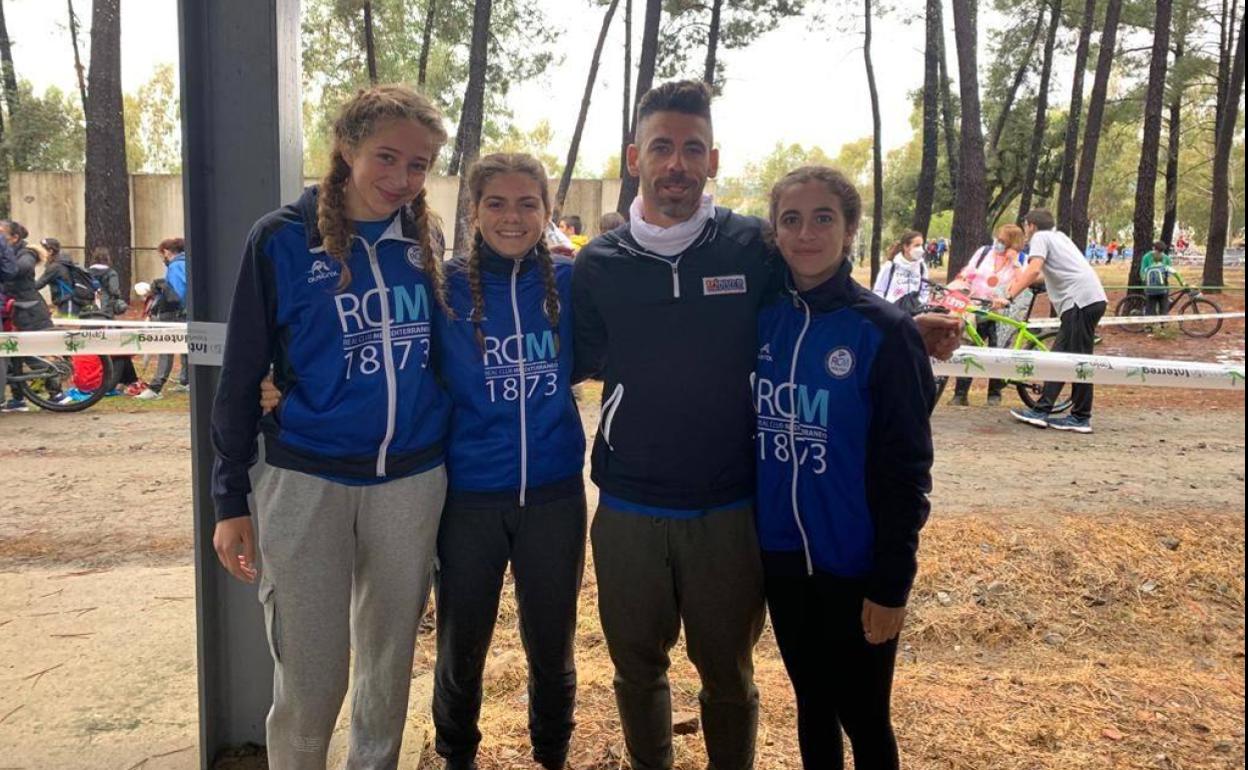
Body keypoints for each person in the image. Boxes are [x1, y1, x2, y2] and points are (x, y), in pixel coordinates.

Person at [573, 79, 961, 770]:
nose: (676, 164)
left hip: (729, 510)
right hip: (629, 504)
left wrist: (902, 327)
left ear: (713, 160)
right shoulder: (597, 264)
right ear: (635, 156)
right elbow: (571, 351)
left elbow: (825, 287)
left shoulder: (749, 246)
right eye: (661, 146)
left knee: (730, 676)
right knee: (637, 671)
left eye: (692, 149)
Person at [209, 84, 452, 769]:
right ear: (345, 149)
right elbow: (239, 376)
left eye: (420, 164)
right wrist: (229, 499)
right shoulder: (282, 238)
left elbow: (445, 352)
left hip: (411, 481)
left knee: (387, 667)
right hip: (305, 477)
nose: (403, 178)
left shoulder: (425, 238)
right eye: (387, 157)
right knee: (312, 677)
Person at [758, 165, 933, 770]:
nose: (806, 233)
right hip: (781, 560)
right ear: (775, 232)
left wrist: (891, 584)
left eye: (823, 217)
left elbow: (906, 469)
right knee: (812, 705)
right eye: (791, 219)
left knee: (863, 717)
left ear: (851, 227)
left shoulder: (884, 332)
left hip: (854, 567)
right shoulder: (762, 318)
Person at [431, 153, 586, 770]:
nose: (512, 216)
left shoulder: (572, 283)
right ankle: (456, 755)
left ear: (547, 213)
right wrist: (279, 381)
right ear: (473, 212)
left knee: (552, 645)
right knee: (461, 643)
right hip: (470, 497)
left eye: (528, 203)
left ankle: (552, 753)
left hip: (554, 495)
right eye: (496, 203)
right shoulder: (443, 287)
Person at [1005, 209, 1107, 434]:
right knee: (1061, 358)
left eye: (1025, 226)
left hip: (1080, 302)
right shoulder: (1059, 237)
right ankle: (1042, 410)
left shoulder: (1040, 237)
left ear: (1030, 225)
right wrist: (1020, 280)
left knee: (1078, 361)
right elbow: (1043, 275)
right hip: (1086, 301)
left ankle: (1081, 417)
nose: (1025, 231)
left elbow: (1033, 271)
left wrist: (1009, 295)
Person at [946, 224, 1025, 406]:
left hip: (1001, 313)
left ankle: (994, 393)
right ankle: (960, 393)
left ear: (1013, 244)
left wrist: (1015, 262)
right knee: (969, 347)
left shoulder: (1020, 261)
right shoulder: (984, 252)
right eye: (998, 238)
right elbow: (968, 271)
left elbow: (1022, 283)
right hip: (975, 307)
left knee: (998, 351)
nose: (998, 243)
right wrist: (961, 281)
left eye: (1003, 241)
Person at [0, 220, 68, 411]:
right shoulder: (9, 252)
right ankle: (18, 398)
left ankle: (56, 394)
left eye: (2, 235)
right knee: (13, 354)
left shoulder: (27, 253)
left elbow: (20, 269)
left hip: (29, 310)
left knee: (35, 354)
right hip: (12, 310)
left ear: (14, 237)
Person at [135, 238, 190, 400]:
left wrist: (159, 290)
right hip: (186, 313)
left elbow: (176, 294)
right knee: (186, 348)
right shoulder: (189, 263)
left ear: (166, 252)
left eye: (162, 255)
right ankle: (186, 381)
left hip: (174, 313)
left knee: (165, 348)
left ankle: (155, 387)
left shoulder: (175, 266)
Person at [32, 238, 96, 317]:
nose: (39, 252)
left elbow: (38, 285)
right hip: (66, 301)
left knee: (69, 326)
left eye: (42, 249)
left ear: (50, 252)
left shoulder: (55, 267)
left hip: (68, 301)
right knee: (63, 325)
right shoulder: (62, 263)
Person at [872, 230, 930, 311]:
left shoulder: (922, 267)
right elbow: (878, 290)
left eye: (921, 245)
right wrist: (885, 308)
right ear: (906, 247)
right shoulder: (890, 266)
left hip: (914, 312)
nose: (920, 249)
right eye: (916, 245)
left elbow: (925, 289)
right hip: (892, 312)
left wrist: (920, 302)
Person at [1140, 240, 1173, 318]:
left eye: (1161, 251)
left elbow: (1169, 271)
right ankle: (1149, 325)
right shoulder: (1146, 257)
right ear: (1153, 248)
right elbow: (1142, 271)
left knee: (1163, 305)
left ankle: (1162, 324)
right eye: (1158, 250)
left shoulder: (1166, 258)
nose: (1159, 252)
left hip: (1162, 285)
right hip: (1151, 285)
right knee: (1151, 306)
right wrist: (1145, 280)